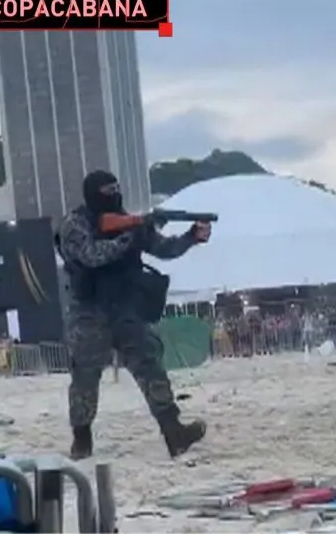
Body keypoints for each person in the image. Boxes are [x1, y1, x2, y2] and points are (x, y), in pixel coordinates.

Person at [58, 170, 211, 460]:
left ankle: (173, 431)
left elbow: (163, 249)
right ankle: (82, 440)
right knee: (85, 379)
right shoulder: (75, 224)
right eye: (108, 190)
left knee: (150, 366)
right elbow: (92, 254)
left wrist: (191, 237)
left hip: (125, 308)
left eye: (117, 188)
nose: (115, 194)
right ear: (93, 194)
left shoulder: (128, 221)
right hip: (89, 312)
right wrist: (132, 234)